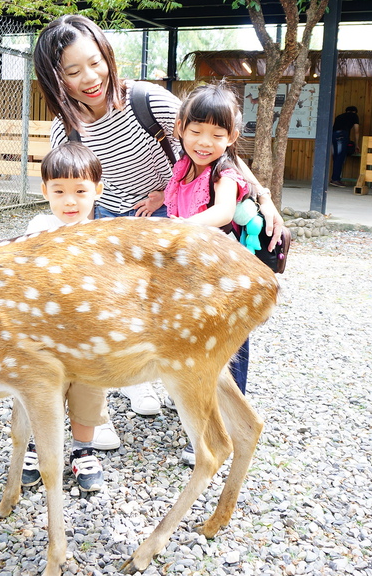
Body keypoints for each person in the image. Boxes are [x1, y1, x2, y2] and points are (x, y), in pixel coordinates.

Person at [33, 14, 285, 419]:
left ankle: (223, 398)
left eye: (95, 62)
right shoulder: (66, 132)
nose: (90, 77)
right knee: (125, 306)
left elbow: (218, 149)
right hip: (114, 222)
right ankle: (141, 381)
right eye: (73, 71)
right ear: (56, 79)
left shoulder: (147, 100)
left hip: (177, 214)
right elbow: (74, 190)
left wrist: (265, 199)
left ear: (108, 55)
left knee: (204, 304)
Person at [163, 82, 256, 466]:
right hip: (192, 275)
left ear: (231, 137)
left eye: (217, 135)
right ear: (181, 128)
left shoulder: (224, 171)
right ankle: (197, 403)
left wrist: (181, 228)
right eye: (197, 131)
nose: (205, 142)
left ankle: (222, 420)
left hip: (222, 277)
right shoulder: (183, 166)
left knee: (226, 347)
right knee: (196, 344)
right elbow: (174, 200)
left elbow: (221, 212)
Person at [21, 143, 115, 491]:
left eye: (80, 191)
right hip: (45, 336)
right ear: (45, 191)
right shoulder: (39, 227)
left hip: (89, 337)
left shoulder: (103, 234)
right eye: (59, 191)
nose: (70, 201)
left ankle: (83, 450)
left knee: (88, 393)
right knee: (43, 391)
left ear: (97, 191)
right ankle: (37, 446)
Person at [330, 105, 360, 187]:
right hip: (342, 136)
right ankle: (335, 179)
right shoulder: (354, 116)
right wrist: (357, 144)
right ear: (355, 112)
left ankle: (335, 178)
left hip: (333, 135)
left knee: (336, 157)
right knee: (340, 157)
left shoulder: (339, 116)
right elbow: (356, 131)